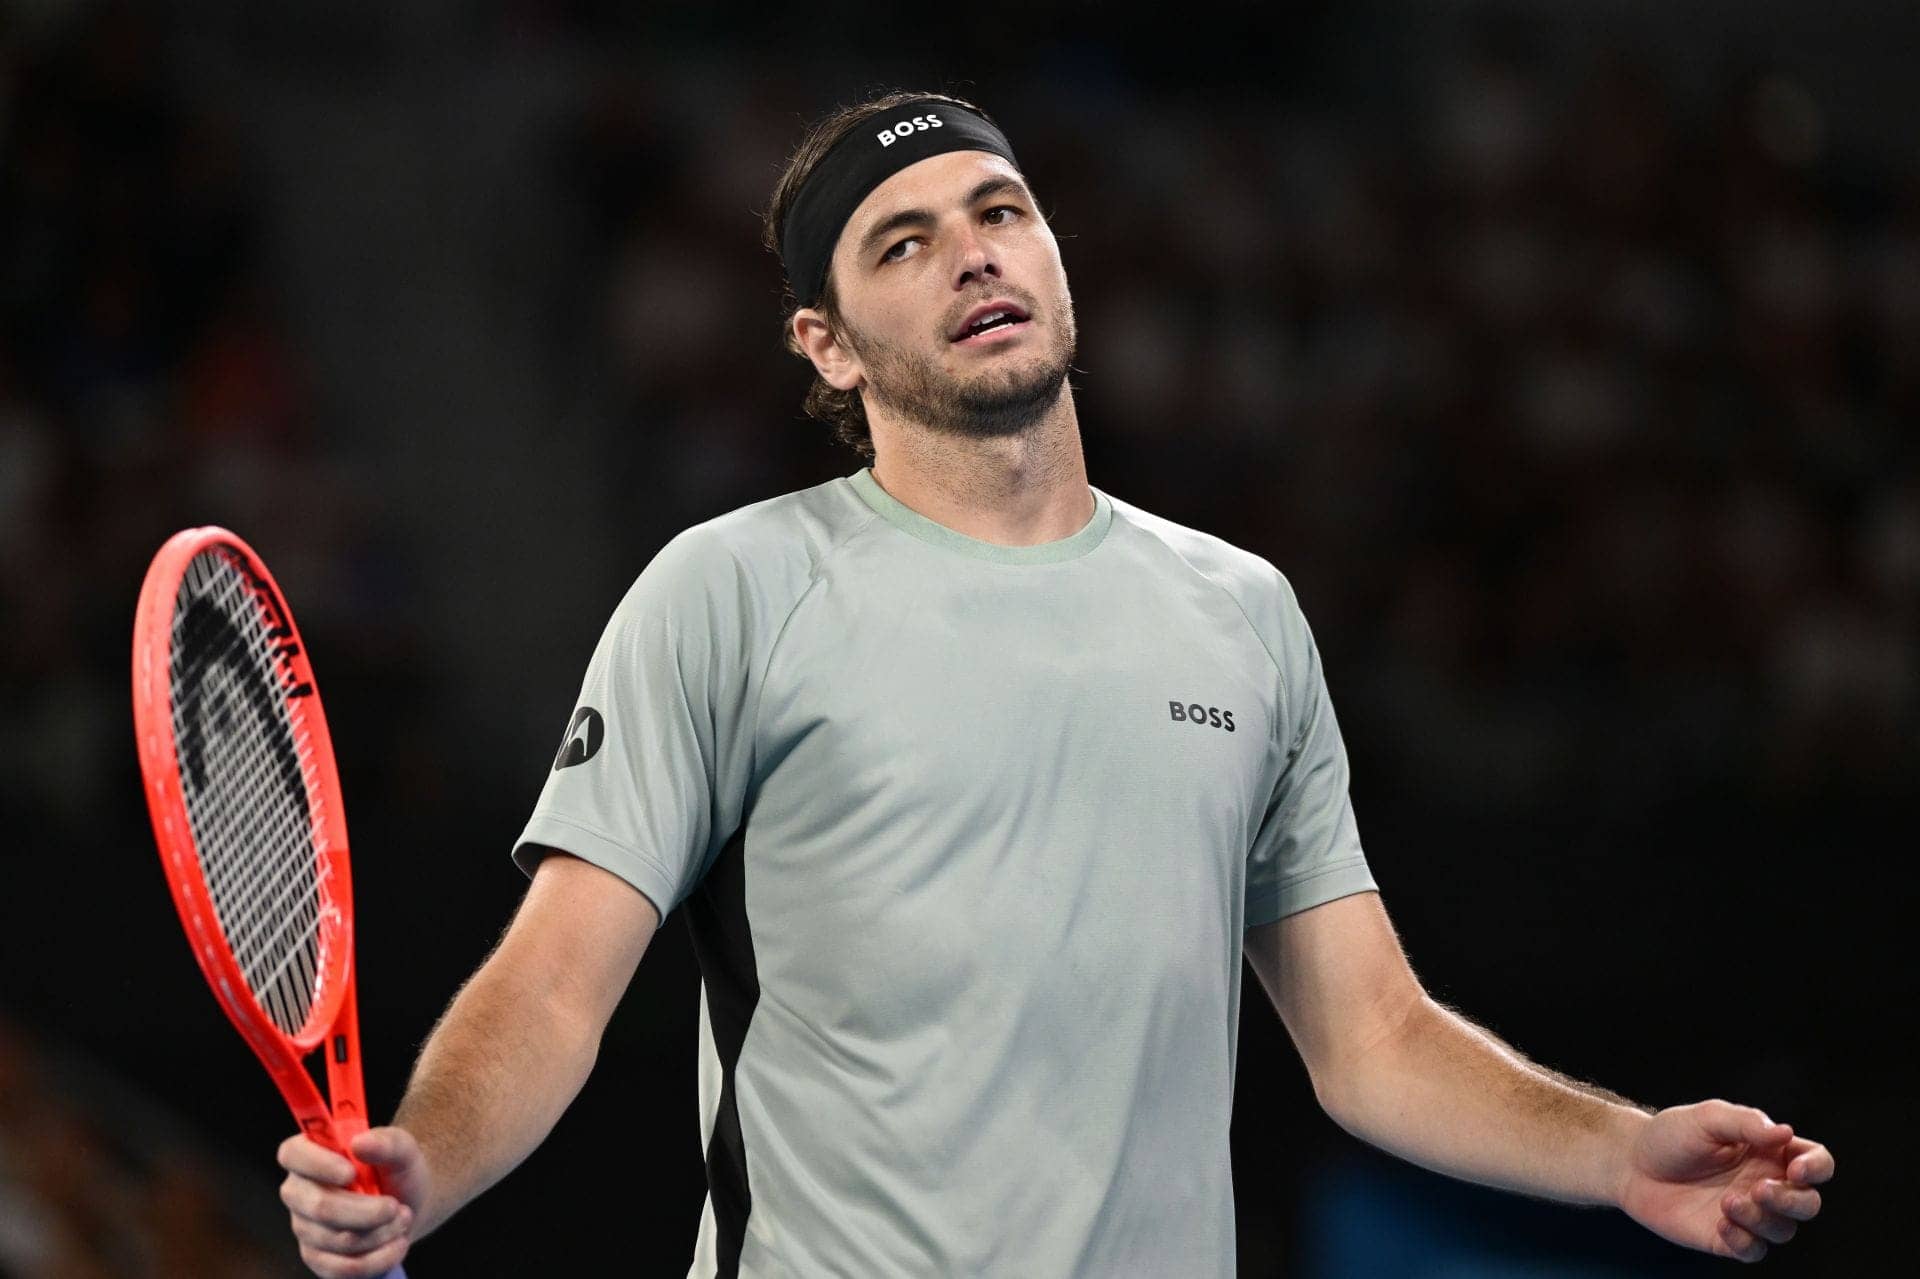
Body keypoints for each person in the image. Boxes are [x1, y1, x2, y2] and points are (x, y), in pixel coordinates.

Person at [275, 89, 1834, 1278]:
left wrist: (1619, 1151)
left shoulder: (1242, 615)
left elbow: (1373, 1039)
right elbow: (556, 984)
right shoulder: (731, 592)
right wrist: (429, 1164)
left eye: (1000, 211)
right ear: (827, 344)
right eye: (903, 242)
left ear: (1055, 255)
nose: (973, 253)